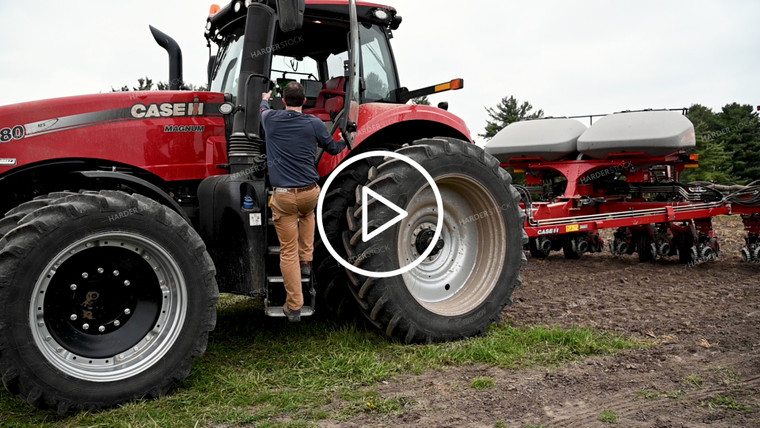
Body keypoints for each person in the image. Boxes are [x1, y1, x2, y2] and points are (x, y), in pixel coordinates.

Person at [260, 82, 347, 322]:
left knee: (287, 251)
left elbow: (263, 109)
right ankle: (306, 259)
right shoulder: (314, 124)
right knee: (308, 214)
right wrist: (347, 139)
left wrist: (266, 98)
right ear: (304, 101)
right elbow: (333, 148)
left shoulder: (271, 119)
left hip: (284, 196)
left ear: (284, 100)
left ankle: (294, 306)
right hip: (309, 193)